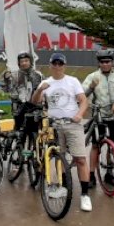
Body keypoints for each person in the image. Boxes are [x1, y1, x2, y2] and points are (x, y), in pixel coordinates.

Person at [31, 53, 92, 212]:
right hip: (54, 126)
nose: (57, 67)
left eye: (60, 64)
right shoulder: (46, 82)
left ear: (64, 65)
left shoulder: (72, 81)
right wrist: (39, 90)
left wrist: (79, 114)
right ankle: (64, 187)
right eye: (54, 64)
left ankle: (85, 195)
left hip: (72, 124)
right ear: (50, 65)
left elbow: (83, 100)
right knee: (60, 158)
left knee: (80, 159)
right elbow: (34, 101)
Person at [81, 49, 114, 187]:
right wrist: (91, 87)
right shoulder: (93, 76)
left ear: (112, 62)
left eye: (107, 61)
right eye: (102, 62)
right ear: (99, 63)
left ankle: (109, 173)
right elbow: (81, 94)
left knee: (112, 147)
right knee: (96, 146)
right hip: (99, 117)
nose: (105, 64)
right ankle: (91, 175)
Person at [3, 51, 43, 144]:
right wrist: (6, 79)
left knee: (34, 135)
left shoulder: (38, 75)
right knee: (19, 135)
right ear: (18, 63)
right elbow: (7, 90)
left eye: (26, 60)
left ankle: (35, 154)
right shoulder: (14, 75)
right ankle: (18, 153)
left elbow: (43, 91)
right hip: (19, 109)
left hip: (34, 109)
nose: (24, 63)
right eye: (22, 61)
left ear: (30, 62)